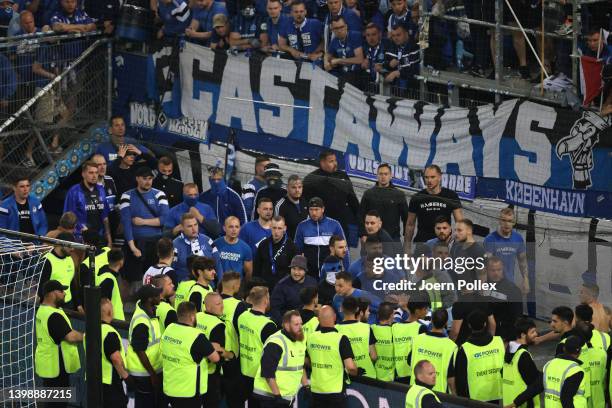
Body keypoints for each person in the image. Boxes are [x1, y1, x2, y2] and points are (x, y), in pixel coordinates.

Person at [161, 301, 220, 407]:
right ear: (193, 317)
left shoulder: (169, 329)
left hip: (169, 387)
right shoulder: (196, 336)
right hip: (188, 393)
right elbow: (215, 358)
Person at [34, 280, 83, 407]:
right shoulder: (53, 315)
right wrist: (88, 336)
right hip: (56, 367)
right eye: (61, 291)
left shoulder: (43, 310)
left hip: (49, 366)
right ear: (51, 294)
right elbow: (71, 337)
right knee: (58, 404)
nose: (65, 293)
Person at [120, 166, 169, 283]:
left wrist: (142, 222)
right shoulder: (127, 196)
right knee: (131, 280)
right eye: (145, 179)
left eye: (150, 179)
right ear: (137, 179)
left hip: (155, 243)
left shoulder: (159, 194)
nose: (148, 182)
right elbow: (126, 223)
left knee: (153, 279)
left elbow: (164, 219)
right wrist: (132, 247)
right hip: (135, 242)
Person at [302, 151, 358, 246]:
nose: (335, 163)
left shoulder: (343, 177)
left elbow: (353, 201)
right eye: (331, 161)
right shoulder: (312, 179)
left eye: (335, 160)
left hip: (341, 225)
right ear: (322, 163)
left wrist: (361, 222)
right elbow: (303, 203)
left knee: (341, 254)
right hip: (320, 226)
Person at [253, 310, 308, 406]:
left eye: (301, 324)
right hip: (269, 397)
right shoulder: (276, 343)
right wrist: (277, 396)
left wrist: (306, 386)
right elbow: (268, 373)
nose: (300, 328)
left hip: (285, 397)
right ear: (286, 325)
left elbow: (299, 366)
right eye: (296, 324)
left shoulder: (299, 340)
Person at [307, 305, 359, 406]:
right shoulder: (341, 339)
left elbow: (305, 360)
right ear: (335, 317)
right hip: (335, 392)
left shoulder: (311, 337)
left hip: (316, 390)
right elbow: (350, 367)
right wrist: (356, 372)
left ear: (318, 319)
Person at [404, 165, 463, 253]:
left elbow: (460, 223)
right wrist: (407, 249)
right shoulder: (417, 198)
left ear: (439, 177)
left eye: (432, 177)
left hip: (444, 244)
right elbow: (410, 225)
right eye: (426, 177)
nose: (429, 180)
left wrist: (461, 245)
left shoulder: (451, 196)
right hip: (422, 244)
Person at [237, 286, 277, 406]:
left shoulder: (242, 316)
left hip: (244, 371)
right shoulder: (268, 325)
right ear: (265, 301)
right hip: (260, 376)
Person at [455, 310, 504, 404]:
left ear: (469, 325)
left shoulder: (465, 349)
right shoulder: (498, 342)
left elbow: (461, 378)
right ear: (485, 324)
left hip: (475, 397)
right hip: (496, 391)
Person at [126, 284, 163, 407]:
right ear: (149, 299)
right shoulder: (142, 322)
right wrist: (152, 374)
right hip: (143, 374)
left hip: (149, 371)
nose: (160, 296)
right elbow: (140, 350)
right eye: (157, 294)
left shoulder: (149, 311)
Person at [196, 293, 233, 407]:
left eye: (222, 303)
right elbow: (217, 352)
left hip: (194, 370)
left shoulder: (197, 316)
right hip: (210, 374)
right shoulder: (217, 325)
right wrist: (230, 355)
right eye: (218, 304)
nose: (222, 306)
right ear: (208, 307)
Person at [295, 197, 346, 277]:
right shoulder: (302, 226)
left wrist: (348, 270)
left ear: (323, 209)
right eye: (311, 210)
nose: (314, 213)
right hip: (309, 273)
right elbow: (297, 251)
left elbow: (344, 250)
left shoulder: (334, 225)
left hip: (331, 271)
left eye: (316, 209)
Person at [408, 308, 457, 393]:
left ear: (431, 321)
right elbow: (451, 377)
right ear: (446, 323)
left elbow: (409, 361)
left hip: (416, 390)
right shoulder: (451, 346)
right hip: (439, 394)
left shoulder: (417, 339)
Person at [64, 161, 112, 244]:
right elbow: (68, 217)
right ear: (83, 174)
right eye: (91, 173)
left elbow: (105, 216)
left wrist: (109, 237)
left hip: (99, 237)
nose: (94, 176)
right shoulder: (74, 191)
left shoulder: (101, 189)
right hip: (80, 238)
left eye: (96, 173)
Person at [358, 163, 408, 241]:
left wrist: (406, 237)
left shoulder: (399, 194)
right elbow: (361, 215)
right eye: (380, 174)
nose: (383, 176)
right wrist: (363, 234)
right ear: (377, 175)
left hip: (393, 238)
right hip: (371, 237)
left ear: (391, 176)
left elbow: (406, 218)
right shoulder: (368, 194)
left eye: (386, 174)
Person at [483, 207, 529, 293]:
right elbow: (485, 265)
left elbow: (522, 261)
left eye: (510, 221)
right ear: (499, 221)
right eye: (504, 220)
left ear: (514, 222)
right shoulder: (490, 240)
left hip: (509, 285)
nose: (507, 224)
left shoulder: (518, 239)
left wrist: (525, 279)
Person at [502, 317, 543, 408]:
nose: (536, 334)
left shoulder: (507, 351)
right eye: (532, 332)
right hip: (524, 404)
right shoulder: (523, 355)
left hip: (509, 402)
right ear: (523, 335)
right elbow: (535, 383)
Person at [219, 271, 245, 408]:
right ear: (235, 285)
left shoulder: (209, 301)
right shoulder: (239, 306)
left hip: (213, 359)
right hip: (232, 360)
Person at [97, 298, 130, 408]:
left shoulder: (91, 330)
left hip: (94, 382)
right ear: (109, 312)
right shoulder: (109, 332)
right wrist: (127, 378)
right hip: (110, 383)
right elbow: (116, 358)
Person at [335, 296, 377, 378]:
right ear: (357, 309)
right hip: (367, 375)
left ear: (341, 308)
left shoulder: (336, 329)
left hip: (345, 376)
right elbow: (373, 356)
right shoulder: (367, 328)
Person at [172, 213, 221, 282]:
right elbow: (172, 268)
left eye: (195, 225)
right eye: (189, 226)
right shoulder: (175, 245)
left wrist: (220, 284)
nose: (193, 229)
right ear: (182, 228)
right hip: (186, 288)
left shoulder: (208, 241)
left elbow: (218, 263)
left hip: (208, 287)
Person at [542, 336, 588, 408]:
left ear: (564, 349)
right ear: (579, 351)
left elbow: (536, 387)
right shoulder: (576, 371)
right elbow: (566, 398)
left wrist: (517, 402)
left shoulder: (549, 364)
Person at [270, 255, 317, 324]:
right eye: (293, 268)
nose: (296, 272)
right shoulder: (281, 285)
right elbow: (275, 309)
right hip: (289, 324)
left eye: (300, 269)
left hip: (308, 323)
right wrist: (284, 325)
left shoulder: (312, 282)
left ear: (305, 270)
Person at [253, 215, 298, 287]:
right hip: (264, 287)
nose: (276, 231)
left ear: (284, 228)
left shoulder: (291, 247)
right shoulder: (263, 244)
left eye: (279, 228)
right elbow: (257, 268)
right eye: (274, 228)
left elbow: (294, 270)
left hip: (283, 288)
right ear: (270, 227)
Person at [485, 256, 522, 342]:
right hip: (485, 332)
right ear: (487, 270)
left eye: (499, 270)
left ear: (503, 269)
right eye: (493, 270)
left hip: (504, 334)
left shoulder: (512, 289)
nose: (496, 273)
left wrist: (509, 338)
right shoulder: (482, 285)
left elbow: (517, 316)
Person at [393, 295, 428, 383]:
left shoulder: (395, 327)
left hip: (397, 374)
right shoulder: (421, 328)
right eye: (425, 309)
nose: (426, 312)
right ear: (417, 311)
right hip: (414, 375)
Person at [38, 232, 77, 309]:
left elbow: (71, 283)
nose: (73, 249)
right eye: (70, 246)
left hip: (68, 303)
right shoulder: (47, 260)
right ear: (60, 244)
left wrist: (78, 305)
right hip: (53, 305)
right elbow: (41, 288)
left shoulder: (69, 259)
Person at [324, 16, 364, 86]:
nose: (339, 30)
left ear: (346, 26)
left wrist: (339, 60)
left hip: (357, 73)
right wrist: (326, 62)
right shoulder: (335, 41)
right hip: (343, 73)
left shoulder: (355, 35)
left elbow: (359, 59)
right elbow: (327, 55)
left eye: (341, 27)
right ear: (332, 30)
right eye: (336, 28)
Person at [383, 23, 420, 93]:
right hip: (395, 89)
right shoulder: (392, 46)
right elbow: (383, 63)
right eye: (393, 36)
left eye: (398, 35)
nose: (395, 38)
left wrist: (397, 73)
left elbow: (415, 70)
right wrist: (389, 64)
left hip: (412, 90)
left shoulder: (414, 47)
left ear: (406, 34)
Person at [214, 216, 253, 281]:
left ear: (240, 228)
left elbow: (248, 272)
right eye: (231, 227)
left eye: (237, 227)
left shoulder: (246, 248)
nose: (234, 230)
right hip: (220, 285)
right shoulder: (216, 244)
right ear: (224, 228)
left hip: (237, 287)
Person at [92, 154, 120, 239]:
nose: (102, 167)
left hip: (113, 227)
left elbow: (116, 203)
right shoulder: (87, 185)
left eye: (104, 164)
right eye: (99, 165)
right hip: (96, 230)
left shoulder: (110, 180)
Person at [274, 174, 308, 240]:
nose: (297, 190)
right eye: (294, 187)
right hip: (289, 246)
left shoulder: (305, 203)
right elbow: (277, 230)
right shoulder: (280, 206)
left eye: (299, 187)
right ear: (287, 188)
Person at [96, 248, 126, 321]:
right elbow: (103, 302)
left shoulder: (102, 273)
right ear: (121, 262)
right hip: (113, 320)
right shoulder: (109, 279)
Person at [371, 302, 395, 382]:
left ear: (378, 315)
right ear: (391, 315)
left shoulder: (371, 329)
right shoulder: (395, 331)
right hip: (390, 378)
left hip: (373, 376)